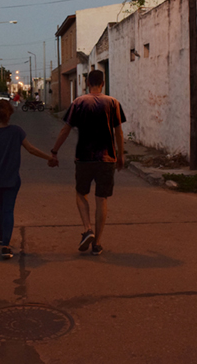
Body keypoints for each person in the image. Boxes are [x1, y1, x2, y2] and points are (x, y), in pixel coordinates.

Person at [50, 70, 126, 256]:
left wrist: (54, 151)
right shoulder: (113, 103)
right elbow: (119, 132)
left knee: (80, 194)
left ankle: (87, 229)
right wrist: (120, 155)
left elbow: (65, 130)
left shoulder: (78, 102)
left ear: (86, 82)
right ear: (103, 82)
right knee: (102, 199)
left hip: (84, 158)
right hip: (107, 158)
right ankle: (97, 244)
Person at [0, 100, 58, 260]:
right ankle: (6, 246)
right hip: (10, 179)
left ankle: (1, 237)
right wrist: (49, 158)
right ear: (10, 114)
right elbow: (31, 149)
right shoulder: (16, 132)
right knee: (8, 210)